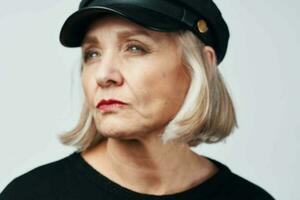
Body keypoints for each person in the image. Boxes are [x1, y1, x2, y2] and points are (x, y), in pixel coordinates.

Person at [0, 0, 275, 199]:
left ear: (201, 65)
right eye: (92, 54)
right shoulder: (31, 195)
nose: (103, 75)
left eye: (135, 48)